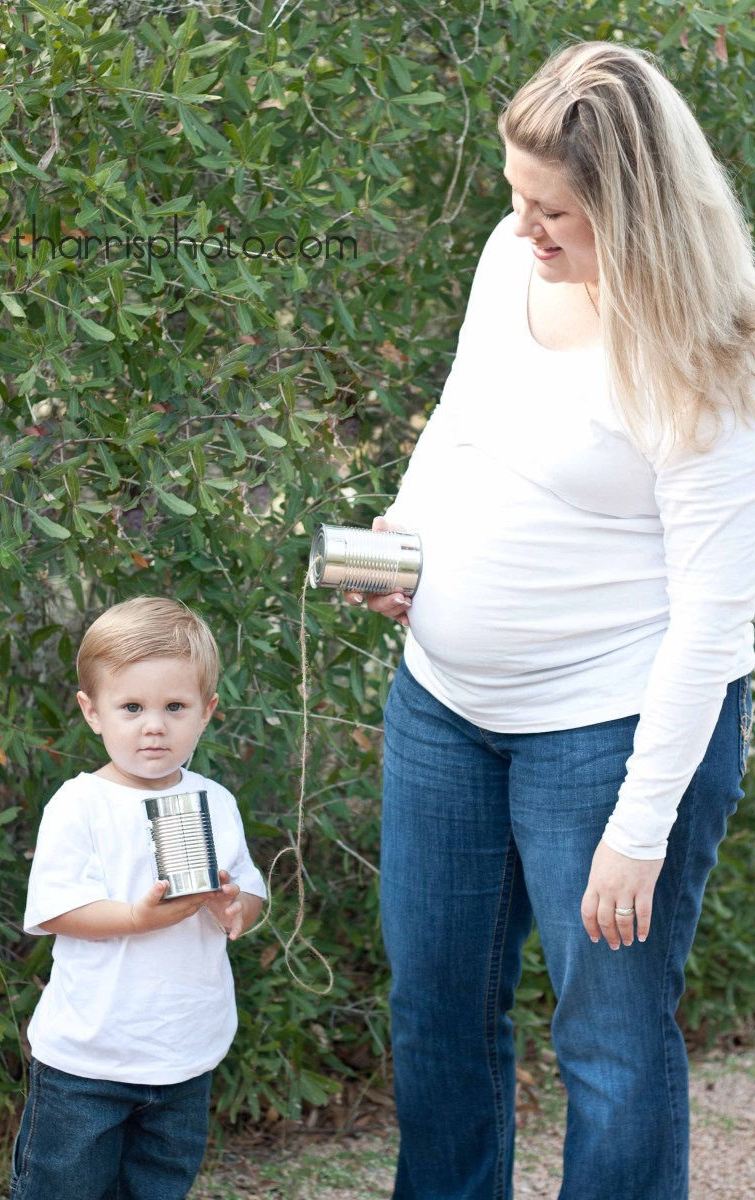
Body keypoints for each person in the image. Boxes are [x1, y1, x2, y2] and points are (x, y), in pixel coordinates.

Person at [346, 40, 755, 1200]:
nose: (524, 228)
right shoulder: (509, 254)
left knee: (610, 1045)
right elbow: (462, 410)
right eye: (516, 197)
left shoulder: (705, 357)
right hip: (444, 712)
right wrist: (405, 533)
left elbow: (714, 622)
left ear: (633, 214)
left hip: (609, 733)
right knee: (433, 1012)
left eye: (553, 212)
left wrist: (636, 830)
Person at [10, 597, 266, 1200]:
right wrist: (135, 917)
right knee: (62, 1188)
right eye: (132, 707)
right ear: (92, 711)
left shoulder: (213, 801)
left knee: (158, 1186)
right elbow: (55, 909)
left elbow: (250, 887)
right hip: (88, 1060)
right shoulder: (80, 804)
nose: (154, 725)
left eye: (174, 707)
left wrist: (236, 907)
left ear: (206, 713)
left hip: (184, 1052)